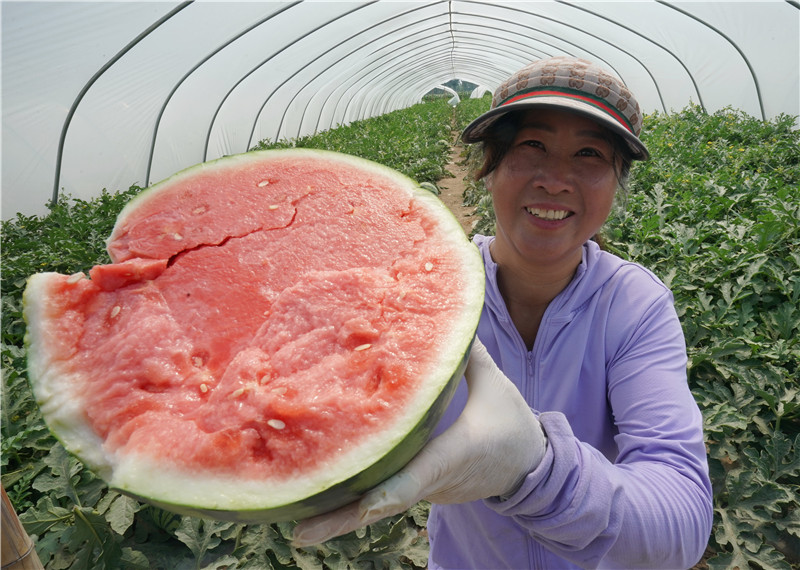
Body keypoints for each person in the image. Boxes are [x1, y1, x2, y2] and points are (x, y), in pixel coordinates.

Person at [293, 56, 713, 569]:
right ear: (488, 168)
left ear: (616, 185)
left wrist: (532, 470)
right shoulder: (424, 295)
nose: (556, 180)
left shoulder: (634, 306)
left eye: (589, 154)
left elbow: (683, 520)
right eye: (532, 145)